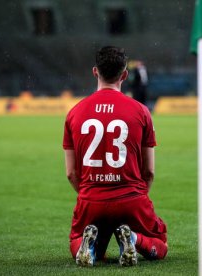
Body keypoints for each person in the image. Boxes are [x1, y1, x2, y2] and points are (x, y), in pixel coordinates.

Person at [62, 46, 167, 267]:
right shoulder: (141, 111)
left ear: (95, 72)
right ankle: (133, 238)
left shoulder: (74, 113)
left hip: (92, 198)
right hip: (132, 198)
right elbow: (149, 171)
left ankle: (88, 247)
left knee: (77, 240)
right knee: (160, 243)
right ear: (125, 75)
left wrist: (91, 193)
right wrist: (134, 197)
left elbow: (71, 173)